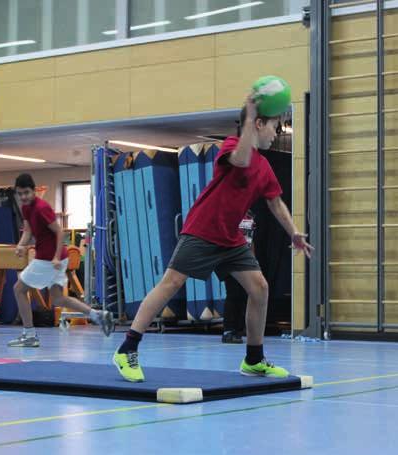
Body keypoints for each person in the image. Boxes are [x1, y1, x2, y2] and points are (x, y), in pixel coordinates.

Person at [113, 95, 313, 382]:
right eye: (273, 127)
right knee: (171, 282)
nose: (276, 133)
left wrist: (293, 231)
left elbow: (275, 202)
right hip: (203, 228)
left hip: (230, 237)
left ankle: (254, 359)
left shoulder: (265, 167)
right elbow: (241, 160)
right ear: (257, 123)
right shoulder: (232, 147)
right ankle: (127, 349)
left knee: (259, 288)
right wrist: (249, 116)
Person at [8, 174, 114, 347]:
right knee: (58, 299)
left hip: (49, 258)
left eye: (26, 192)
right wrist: (21, 245)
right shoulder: (26, 207)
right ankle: (98, 315)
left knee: (19, 289)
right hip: (52, 258)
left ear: (34, 190)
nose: (23, 197)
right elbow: (27, 230)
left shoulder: (42, 208)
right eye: (20, 194)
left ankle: (29, 334)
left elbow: (59, 232)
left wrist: (56, 256)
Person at [222, 213, 256, 344]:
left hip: (245, 259)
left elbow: (251, 240)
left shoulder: (251, 216)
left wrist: (254, 261)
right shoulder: (230, 213)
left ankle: (239, 329)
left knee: (244, 295)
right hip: (231, 257)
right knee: (233, 293)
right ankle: (228, 330)